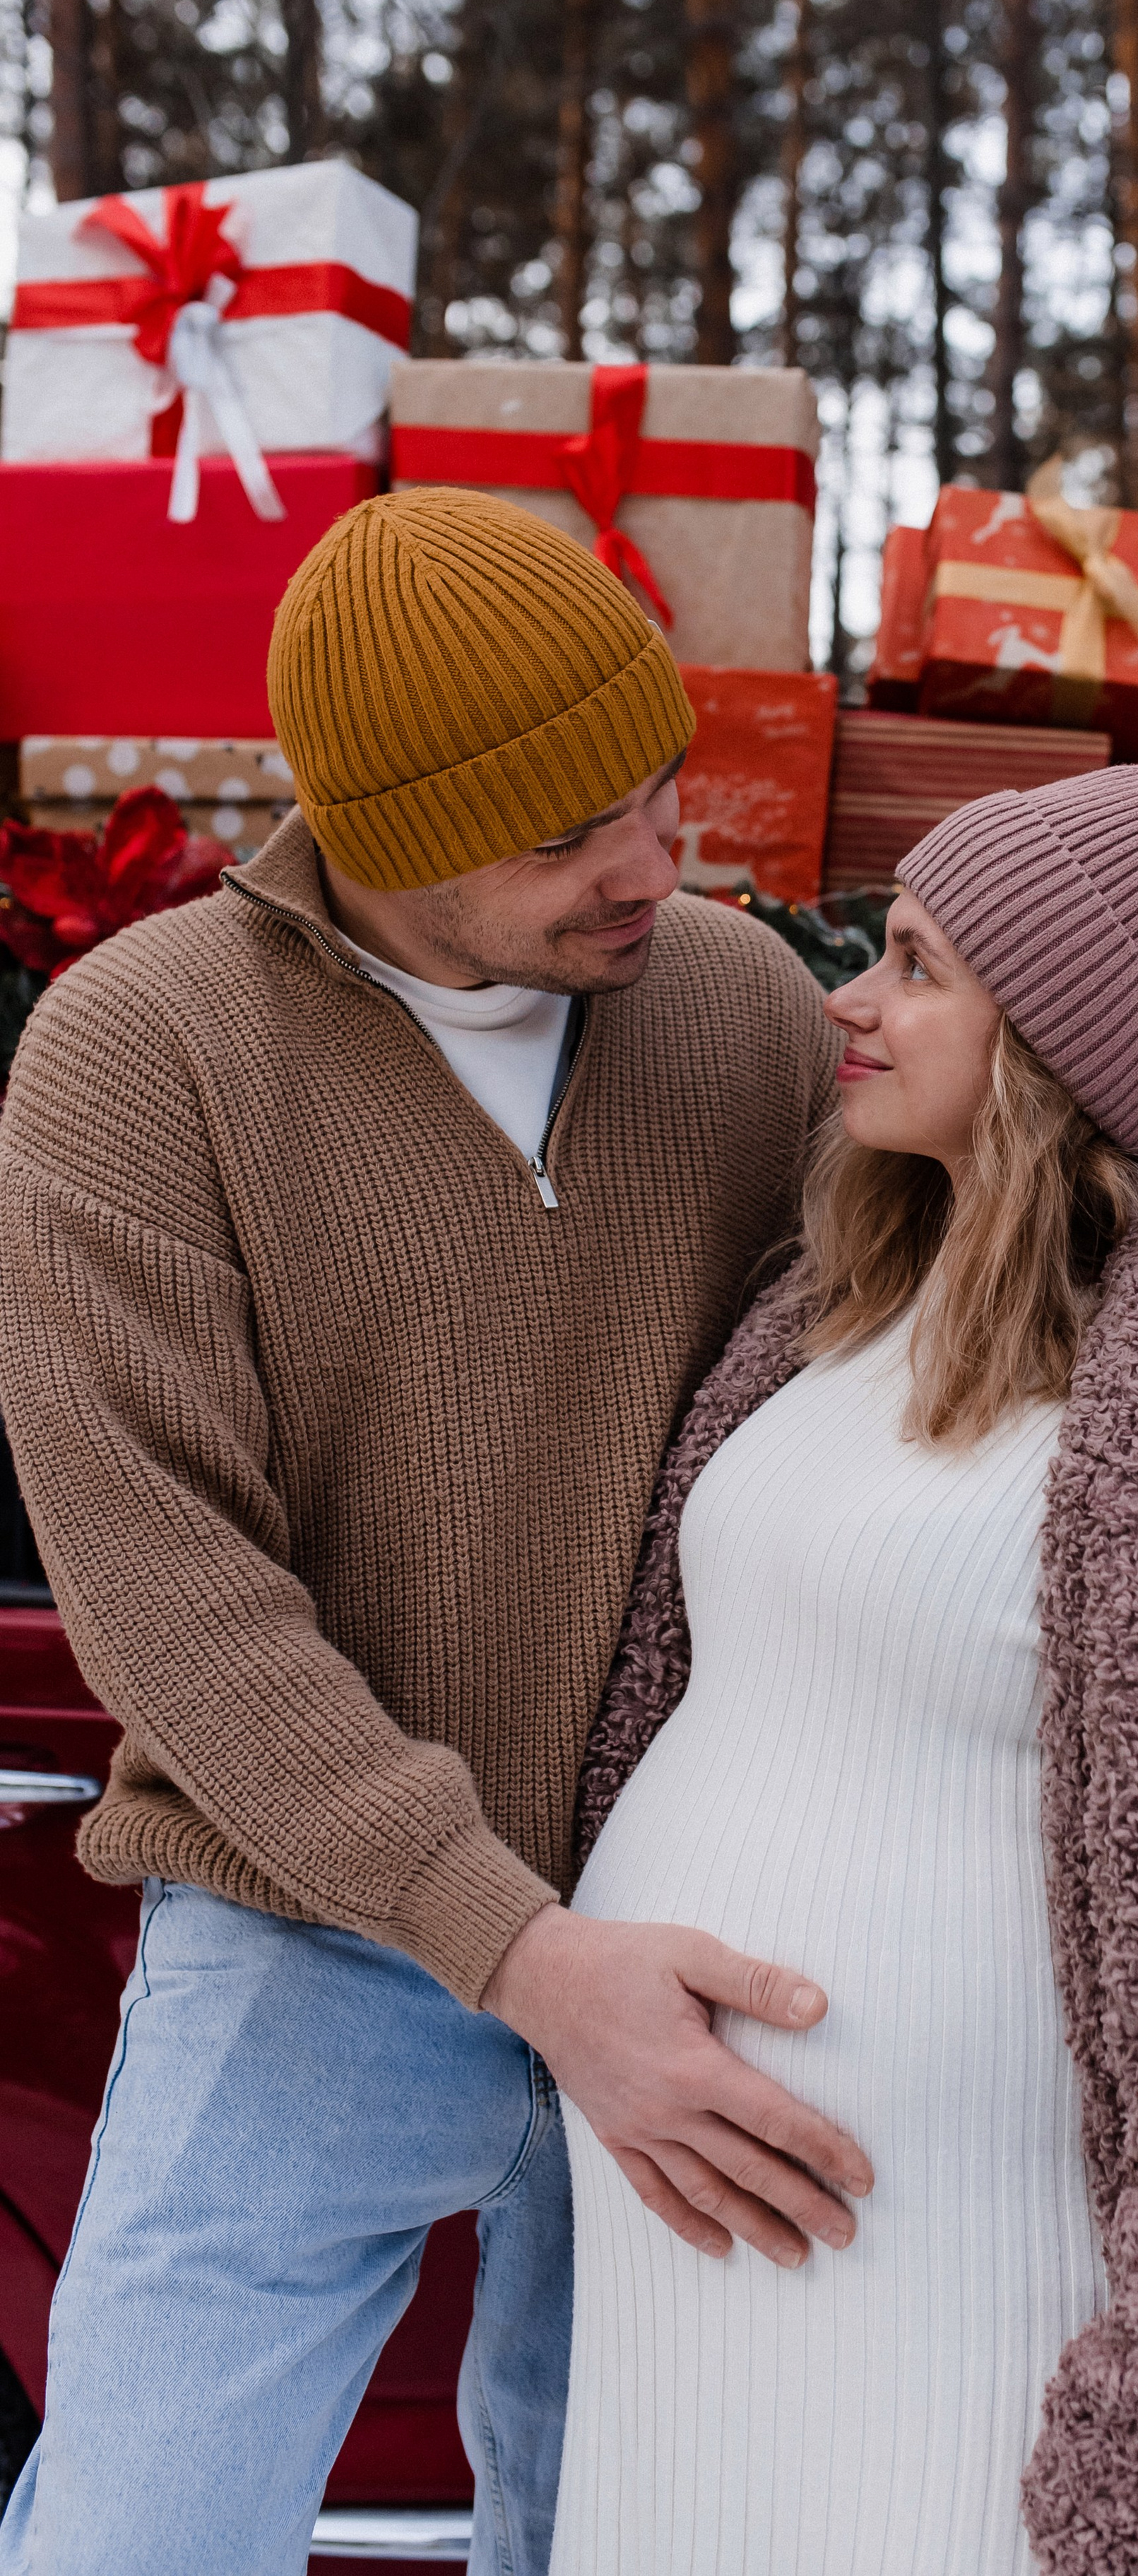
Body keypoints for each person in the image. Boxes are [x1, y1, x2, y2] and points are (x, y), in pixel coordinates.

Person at [0, 490, 871, 2576]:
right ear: (379, 829)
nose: (652, 866)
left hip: (688, 1921)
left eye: (659, 791)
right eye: (570, 834)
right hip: (306, 1925)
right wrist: (505, 1943)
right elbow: (172, 1596)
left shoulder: (747, 1013)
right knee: (138, 2536)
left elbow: (893, 1387)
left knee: (619, 2530)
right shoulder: (142, 1054)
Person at [558, 731, 1138, 2576]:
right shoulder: (826, 1309)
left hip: (971, 2271)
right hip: (691, 2264)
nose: (857, 995)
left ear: (1052, 1040)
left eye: (917, 962)